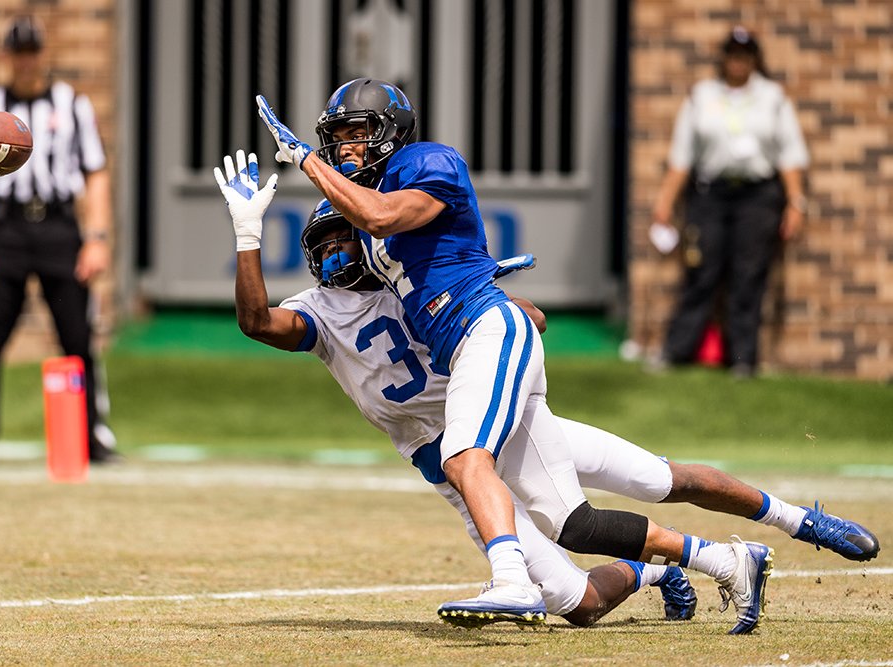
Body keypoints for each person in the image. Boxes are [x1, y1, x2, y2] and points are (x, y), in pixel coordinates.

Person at [220, 150, 871, 632]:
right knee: (577, 603)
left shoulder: (407, 282)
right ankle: (660, 569)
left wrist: (491, 305)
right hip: (453, 463)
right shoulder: (319, 311)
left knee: (656, 477)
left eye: (344, 239)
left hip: (502, 429)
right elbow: (255, 321)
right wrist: (248, 235)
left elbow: (522, 315)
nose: (337, 254)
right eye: (324, 243)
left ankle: (795, 519)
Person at [0, 15, 118, 464]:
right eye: (18, 52)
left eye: (32, 51)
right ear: (7, 56)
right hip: (4, 229)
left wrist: (97, 238)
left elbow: (96, 174)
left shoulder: (72, 106)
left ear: (41, 55)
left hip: (59, 227)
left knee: (77, 337)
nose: (25, 61)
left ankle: (93, 438)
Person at [650, 26, 810, 378]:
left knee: (748, 275)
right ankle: (676, 352)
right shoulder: (702, 96)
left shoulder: (773, 98)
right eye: (733, 55)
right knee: (700, 271)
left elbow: (790, 157)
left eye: (745, 55)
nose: (738, 62)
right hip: (710, 194)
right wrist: (664, 203)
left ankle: (743, 360)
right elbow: (681, 158)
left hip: (758, 195)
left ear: (754, 59)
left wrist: (795, 203)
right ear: (724, 58)